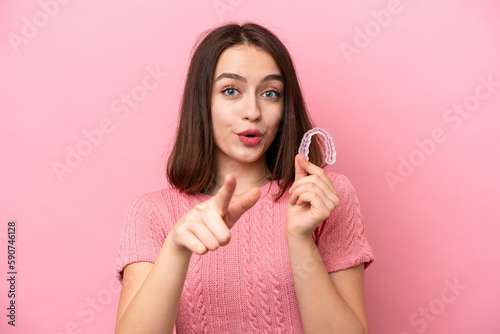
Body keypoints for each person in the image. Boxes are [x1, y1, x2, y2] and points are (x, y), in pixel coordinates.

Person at [114, 22, 375, 334]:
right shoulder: (153, 213)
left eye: (270, 93)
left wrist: (299, 239)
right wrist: (176, 249)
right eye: (230, 91)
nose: (253, 111)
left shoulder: (323, 198)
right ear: (202, 104)